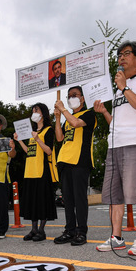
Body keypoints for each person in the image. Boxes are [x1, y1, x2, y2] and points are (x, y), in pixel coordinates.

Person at [94, 41, 136, 256]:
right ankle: (117, 237)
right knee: (114, 195)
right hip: (115, 145)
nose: (121, 58)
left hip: (135, 143)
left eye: (126, 54)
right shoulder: (119, 89)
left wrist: (124, 87)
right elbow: (116, 123)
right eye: (119, 54)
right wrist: (104, 112)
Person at [53, 86, 96, 246]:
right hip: (65, 161)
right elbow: (59, 138)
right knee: (68, 200)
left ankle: (81, 231)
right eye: (69, 96)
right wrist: (58, 118)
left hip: (80, 162)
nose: (71, 98)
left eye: (75, 95)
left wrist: (63, 109)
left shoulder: (89, 114)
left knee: (79, 199)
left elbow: (76, 123)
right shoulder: (66, 118)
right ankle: (70, 230)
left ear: (83, 98)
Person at [15, 103, 58, 241]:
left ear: (43, 113)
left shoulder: (48, 130)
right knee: (32, 202)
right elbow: (29, 151)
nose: (34, 113)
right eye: (33, 111)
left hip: (42, 171)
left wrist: (38, 139)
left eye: (36, 110)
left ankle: (41, 230)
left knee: (42, 201)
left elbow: (49, 150)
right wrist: (20, 141)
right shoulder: (31, 132)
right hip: (30, 171)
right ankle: (33, 230)